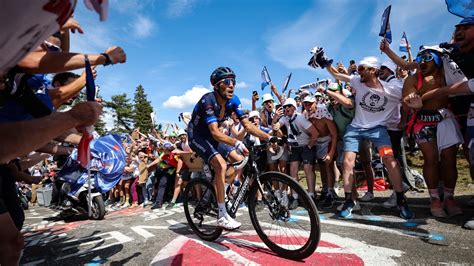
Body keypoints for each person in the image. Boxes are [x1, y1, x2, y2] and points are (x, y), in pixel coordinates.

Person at [325, 55, 414, 219]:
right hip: (356, 128)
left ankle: (401, 199)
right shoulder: (357, 81)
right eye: (358, 69)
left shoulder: (392, 89)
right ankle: (349, 201)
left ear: (373, 70)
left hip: (378, 130)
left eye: (361, 69)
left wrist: (404, 120)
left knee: (389, 159)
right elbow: (337, 75)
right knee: (347, 162)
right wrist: (326, 63)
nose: (358, 72)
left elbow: (408, 102)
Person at [187, 66, 272, 230]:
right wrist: (237, 142)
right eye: (227, 82)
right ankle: (222, 214)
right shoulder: (208, 101)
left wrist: (270, 137)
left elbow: (248, 125)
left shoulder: (234, 101)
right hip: (197, 136)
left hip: (213, 136)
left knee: (239, 160)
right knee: (221, 164)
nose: (232, 85)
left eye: (234, 81)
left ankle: (222, 192)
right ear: (217, 86)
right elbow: (215, 132)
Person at [273, 98, 319, 207]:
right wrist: (275, 119)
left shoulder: (300, 118)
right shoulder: (285, 118)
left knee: (308, 168)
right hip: (294, 147)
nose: (286, 108)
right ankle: (295, 197)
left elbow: (315, 133)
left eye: (288, 106)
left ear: (294, 108)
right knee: (293, 169)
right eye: (284, 107)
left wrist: (309, 146)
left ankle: (311, 195)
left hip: (306, 145)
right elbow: (276, 127)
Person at [302, 95, 338, 208]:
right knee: (322, 167)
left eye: (310, 103)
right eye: (305, 104)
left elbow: (334, 133)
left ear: (315, 103)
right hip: (316, 141)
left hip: (328, 140)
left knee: (328, 165)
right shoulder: (305, 114)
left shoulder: (323, 112)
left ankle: (330, 192)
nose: (308, 106)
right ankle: (326, 188)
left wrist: (331, 152)